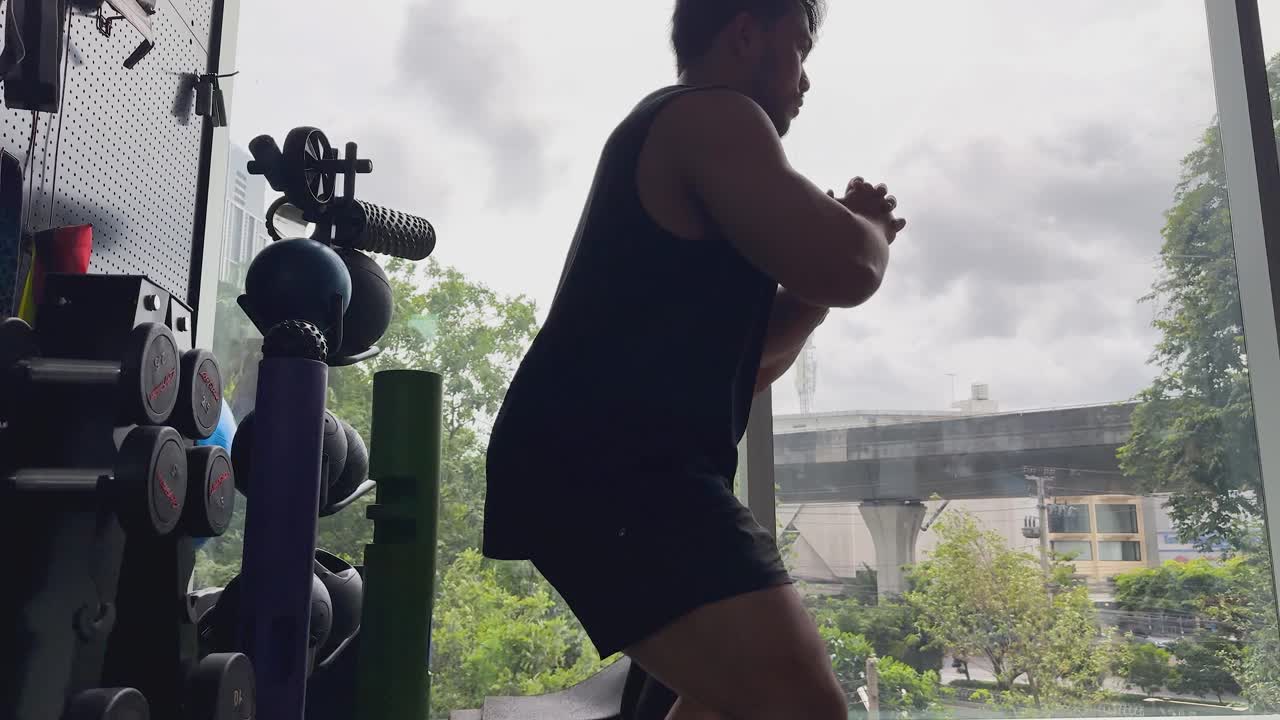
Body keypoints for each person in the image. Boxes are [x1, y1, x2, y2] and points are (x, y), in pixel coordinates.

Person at [482, 1, 906, 717]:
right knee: (803, 708)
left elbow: (757, 360)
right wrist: (869, 223)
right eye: (799, 48)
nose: (805, 80)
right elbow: (850, 268)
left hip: (597, 467)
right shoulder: (712, 117)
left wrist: (821, 270)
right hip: (619, 468)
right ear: (746, 31)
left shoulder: (694, 139)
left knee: (728, 700)